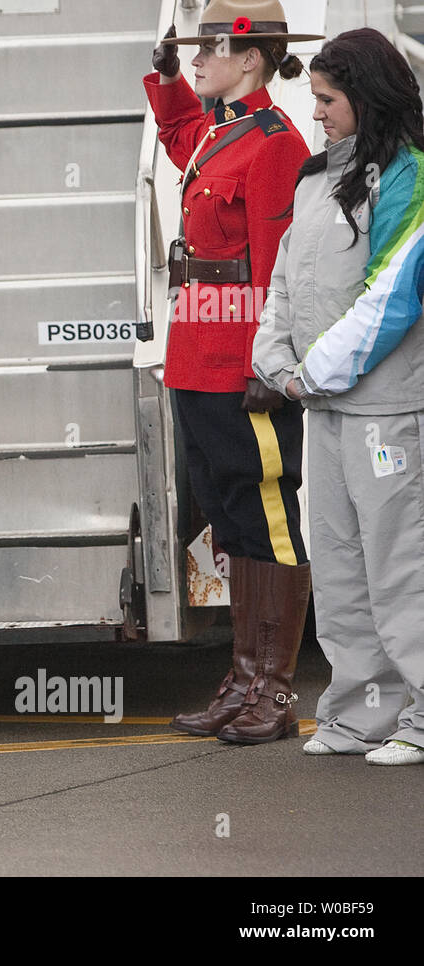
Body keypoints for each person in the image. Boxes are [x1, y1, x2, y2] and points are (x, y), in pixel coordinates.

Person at [145, 0, 320, 744]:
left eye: (205, 50)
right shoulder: (225, 128)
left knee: (266, 521)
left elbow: (282, 266)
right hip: (198, 358)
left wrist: (269, 359)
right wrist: (167, 86)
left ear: (251, 58)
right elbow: (190, 140)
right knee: (227, 514)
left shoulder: (275, 142)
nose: (194, 60)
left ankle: (274, 691)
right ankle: (243, 675)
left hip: (241, 363)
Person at [253, 29, 424, 766]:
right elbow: (285, 283)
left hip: (384, 414)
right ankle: (358, 714)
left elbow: (390, 300)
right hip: (323, 412)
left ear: (367, 96)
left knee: (401, 566)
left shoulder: (410, 178)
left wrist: (305, 373)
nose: (315, 111)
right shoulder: (315, 179)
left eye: (326, 98)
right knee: (341, 566)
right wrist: (272, 358)